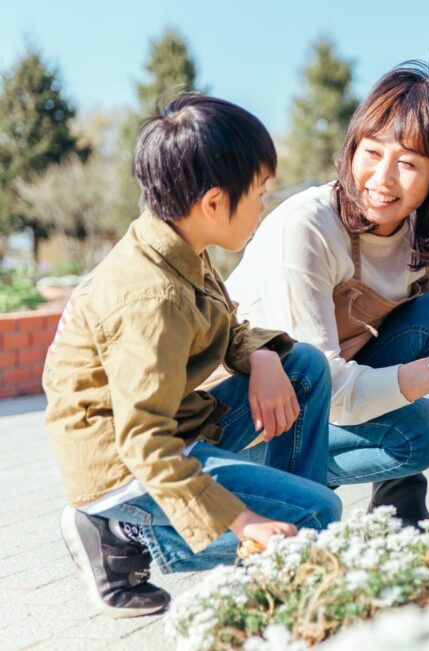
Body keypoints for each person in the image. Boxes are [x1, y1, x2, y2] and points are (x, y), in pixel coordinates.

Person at [43, 94, 341, 618]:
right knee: (320, 514)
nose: (264, 207)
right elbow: (143, 442)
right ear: (212, 202)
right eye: (260, 194)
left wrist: (265, 358)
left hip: (173, 429)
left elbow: (225, 328)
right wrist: (244, 522)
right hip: (125, 467)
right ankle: (119, 533)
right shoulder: (150, 298)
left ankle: (286, 558)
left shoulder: (182, 244)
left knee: (305, 370)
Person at [226, 61, 429, 527]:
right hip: (250, 423)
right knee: (427, 429)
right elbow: (325, 386)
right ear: (352, 148)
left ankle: (397, 504)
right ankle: (274, 490)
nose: (382, 178)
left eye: (408, 163)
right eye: (372, 152)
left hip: (329, 403)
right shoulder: (307, 227)